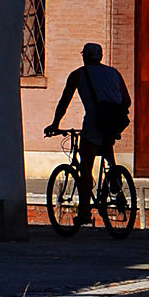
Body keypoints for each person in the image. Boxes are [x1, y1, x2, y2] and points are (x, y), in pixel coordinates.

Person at [45, 43, 131, 215]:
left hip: (94, 121)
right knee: (107, 146)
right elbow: (127, 101)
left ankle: (84, 212)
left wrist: (55, 124)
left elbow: (64, 102)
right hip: (115, 120)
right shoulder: (114, 73)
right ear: (100, 57)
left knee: (86, 167)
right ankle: (114, 179)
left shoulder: (78, 75)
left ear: (84, 57)